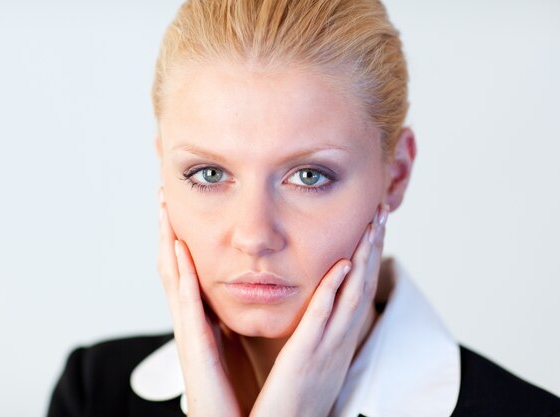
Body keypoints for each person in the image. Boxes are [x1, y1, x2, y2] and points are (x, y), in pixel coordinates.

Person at [47, 1, 560, 416]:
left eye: (309, 177)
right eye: (208, 174)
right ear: (163, 168)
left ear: (396, 174)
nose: (253, 235)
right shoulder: (95, 393)